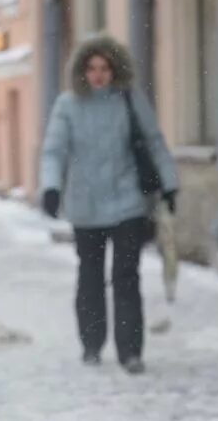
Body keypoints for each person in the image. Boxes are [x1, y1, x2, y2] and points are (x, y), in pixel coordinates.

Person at [40, 35, 179, 374]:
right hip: (85, 205)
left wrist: (170, 184)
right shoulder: (67, 105)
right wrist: (51, 187)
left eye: (104, 68)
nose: (98, 75)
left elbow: (154, 141)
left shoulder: (129, 100)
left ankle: (130, 350)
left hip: (127, 201)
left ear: (115, 70)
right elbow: (54, 150)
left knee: (125, 276)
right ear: (81, 71)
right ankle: (91, 342)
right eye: (91, 68)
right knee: (90, 276)